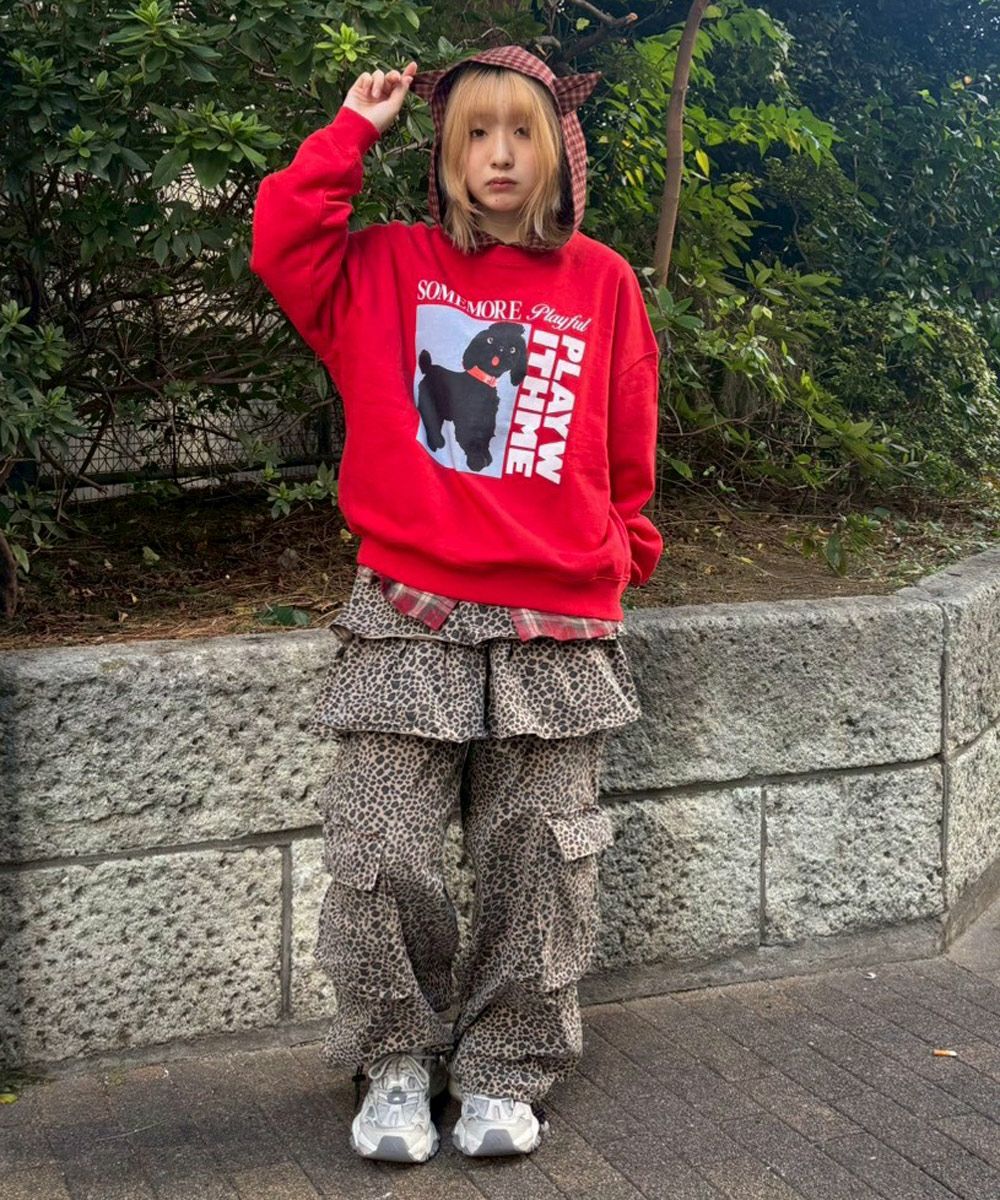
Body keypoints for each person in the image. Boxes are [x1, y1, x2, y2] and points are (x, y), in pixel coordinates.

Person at [250, 44, 662, 1164]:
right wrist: (350, 131)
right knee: (379, 841)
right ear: (444, 153)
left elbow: (627, 437)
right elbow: (282, 242)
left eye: (521, 132)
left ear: (559, 153)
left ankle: (504, 1070)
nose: (499, 155)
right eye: (475, 133)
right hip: (407, 606)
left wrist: (622, 550)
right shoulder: (386, 269)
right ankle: (394, 1061)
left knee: (541, 857)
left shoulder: (602, 283)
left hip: (556, 624)